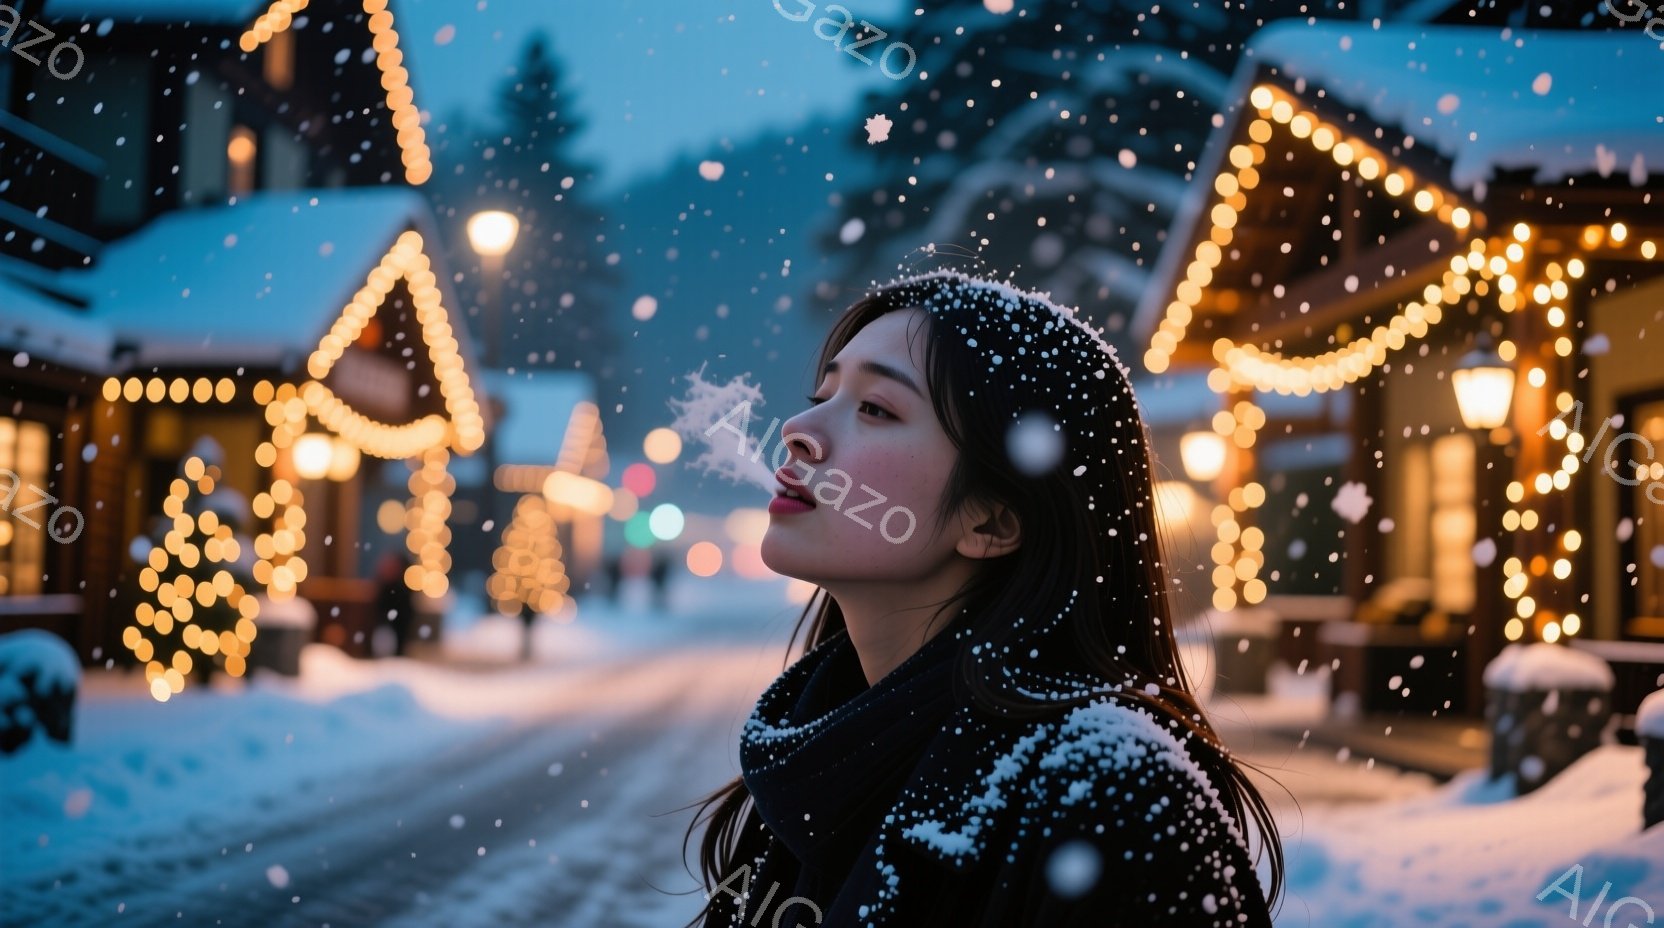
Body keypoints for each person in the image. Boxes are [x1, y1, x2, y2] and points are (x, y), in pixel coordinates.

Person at [681, 271, 1283, 927]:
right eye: (821, 394)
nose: (797, 429)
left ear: (992, 520)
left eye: (874, 408)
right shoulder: (809, 761)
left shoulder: (1112, 793)